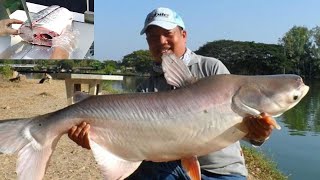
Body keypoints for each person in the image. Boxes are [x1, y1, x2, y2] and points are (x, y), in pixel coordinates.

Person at [68, 7, 273, 180]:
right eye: (153, 37)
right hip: (165, 165)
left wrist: (259, 135)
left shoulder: (212, 69)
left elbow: (245, 120)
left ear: (183, 35)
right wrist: (97, 141)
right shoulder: (147, 88)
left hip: (219, 170)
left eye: (167, 34)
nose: (161, 42)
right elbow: (133, 144)